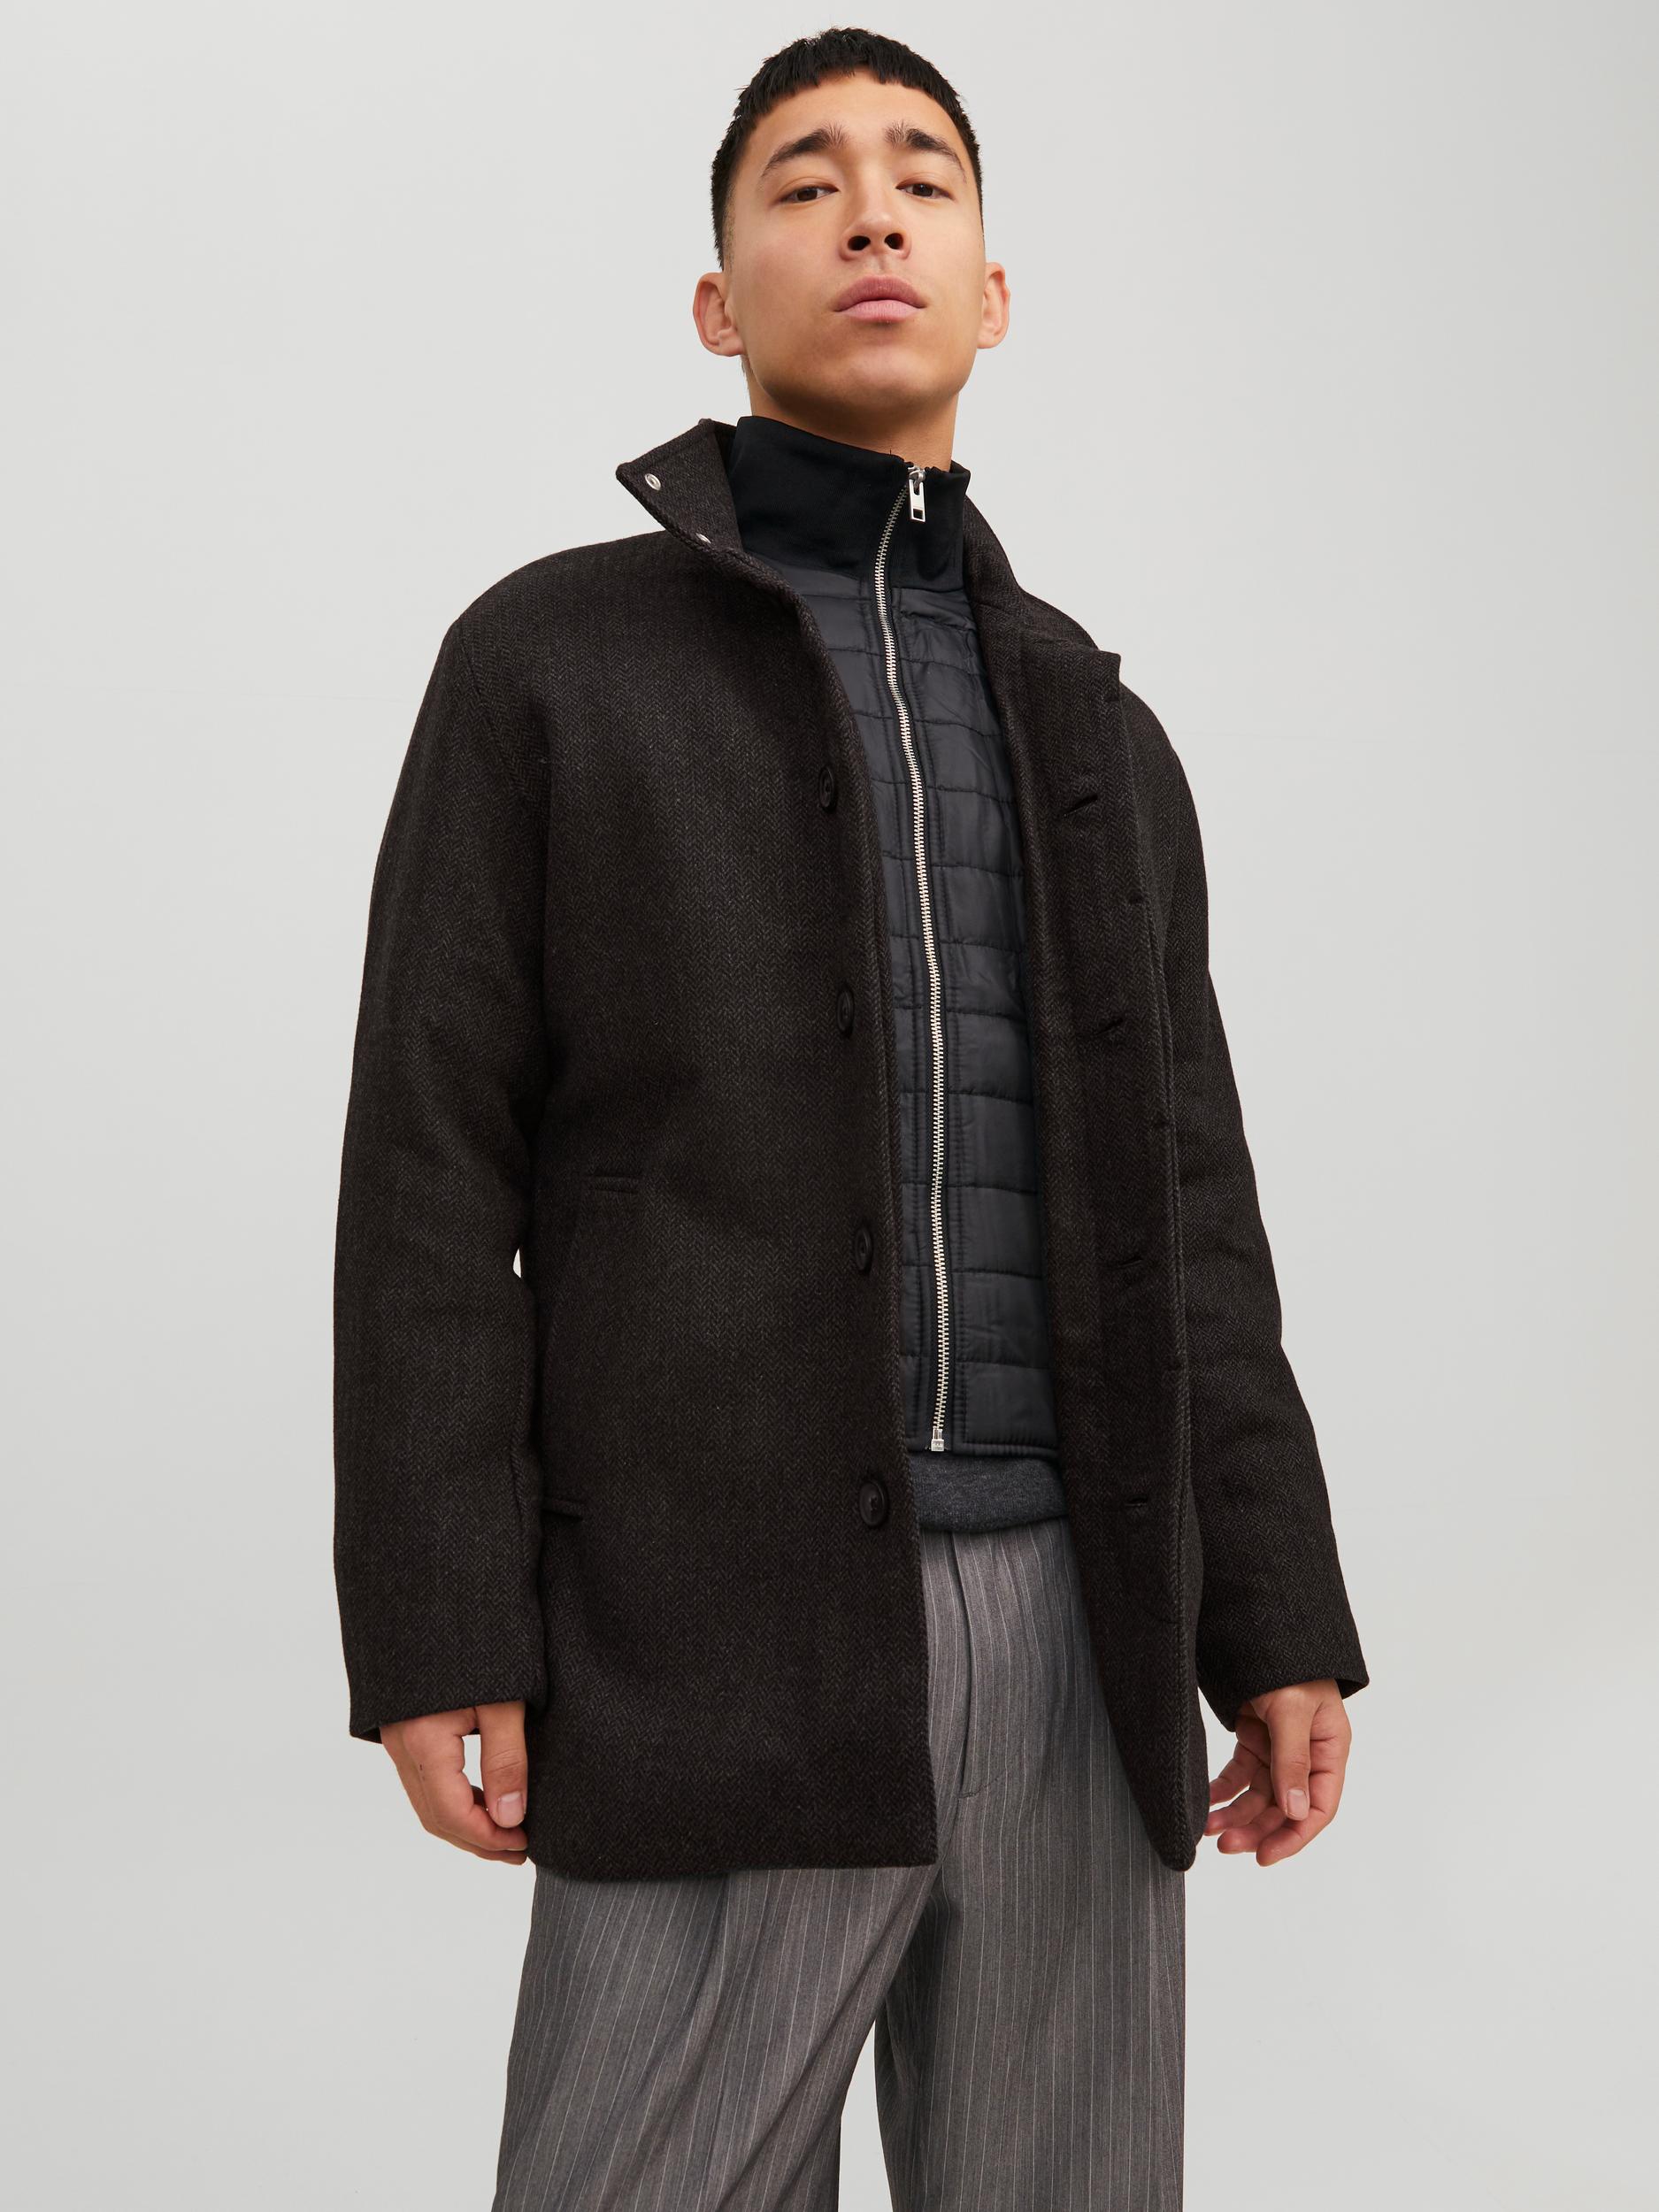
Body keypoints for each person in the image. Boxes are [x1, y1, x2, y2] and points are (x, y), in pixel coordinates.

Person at [332, 27, 1370, 2210]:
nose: (869, 210)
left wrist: (1273, 1613)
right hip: (709, 1628)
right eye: (803, 183)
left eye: (920, 177)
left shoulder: (1094, 725)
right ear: (720, 303)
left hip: (1079, 1630)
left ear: (992, 288)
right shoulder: (549, 665)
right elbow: (429, 1170)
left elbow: (1189, 1205)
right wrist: (439, 1622)